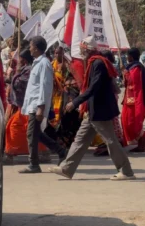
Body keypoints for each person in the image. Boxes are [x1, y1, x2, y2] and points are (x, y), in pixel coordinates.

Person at [52, 36, 136, 180]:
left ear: (88, 49)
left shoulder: (98, 63)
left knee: (110, 141)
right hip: (93, 110)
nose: (81, 52)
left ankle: (126, 171)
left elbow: (93, 87)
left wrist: (75, 102)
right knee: (80, 139)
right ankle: (67, 168)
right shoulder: (93, 62)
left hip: (100, 110)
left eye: (83, 49)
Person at [19, 36, 66, 174]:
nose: (30, 49)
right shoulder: (37, 63)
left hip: (37, 105)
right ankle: (61, 151)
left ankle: (33, 164)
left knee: (31, 134)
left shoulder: (44, 63)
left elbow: (45, 87)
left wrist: (41, 107)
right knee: (36, 133)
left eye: (31, 46)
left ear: (37, 48)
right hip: (33, 104)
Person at [4, 49, 34, 159]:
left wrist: (13, 76)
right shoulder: (23, 69)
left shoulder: (29, 70)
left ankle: (11, 152)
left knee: (14, 127)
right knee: (18, 127)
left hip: (27, 104)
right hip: (21, 104)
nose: (18, 61)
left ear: (24, 60)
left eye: (20, 59)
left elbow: (21, 83)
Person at [122, 47, 145, 152]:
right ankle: (141, 141)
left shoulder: (136, 68)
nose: (126, 57)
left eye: (128, 55)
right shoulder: (131, 67)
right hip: (128, 99)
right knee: (126, 121)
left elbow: (134, 84)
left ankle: (144, 137)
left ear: (131, 56)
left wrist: (125, 74)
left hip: (134, 100)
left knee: (131, 122)